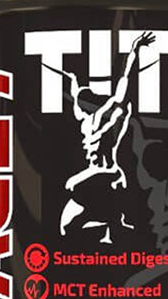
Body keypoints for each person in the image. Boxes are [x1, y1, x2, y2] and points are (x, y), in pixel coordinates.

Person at [59, 31, 156, 244]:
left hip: (108, 173)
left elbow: (124, 84)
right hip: (99, 176)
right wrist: (73, 79)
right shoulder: (86, 120)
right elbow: (77, 96)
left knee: (72, 187)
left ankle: (114, 223)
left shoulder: (106, 117)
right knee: (67, 226)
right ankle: (112, 222)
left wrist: (134, 51)